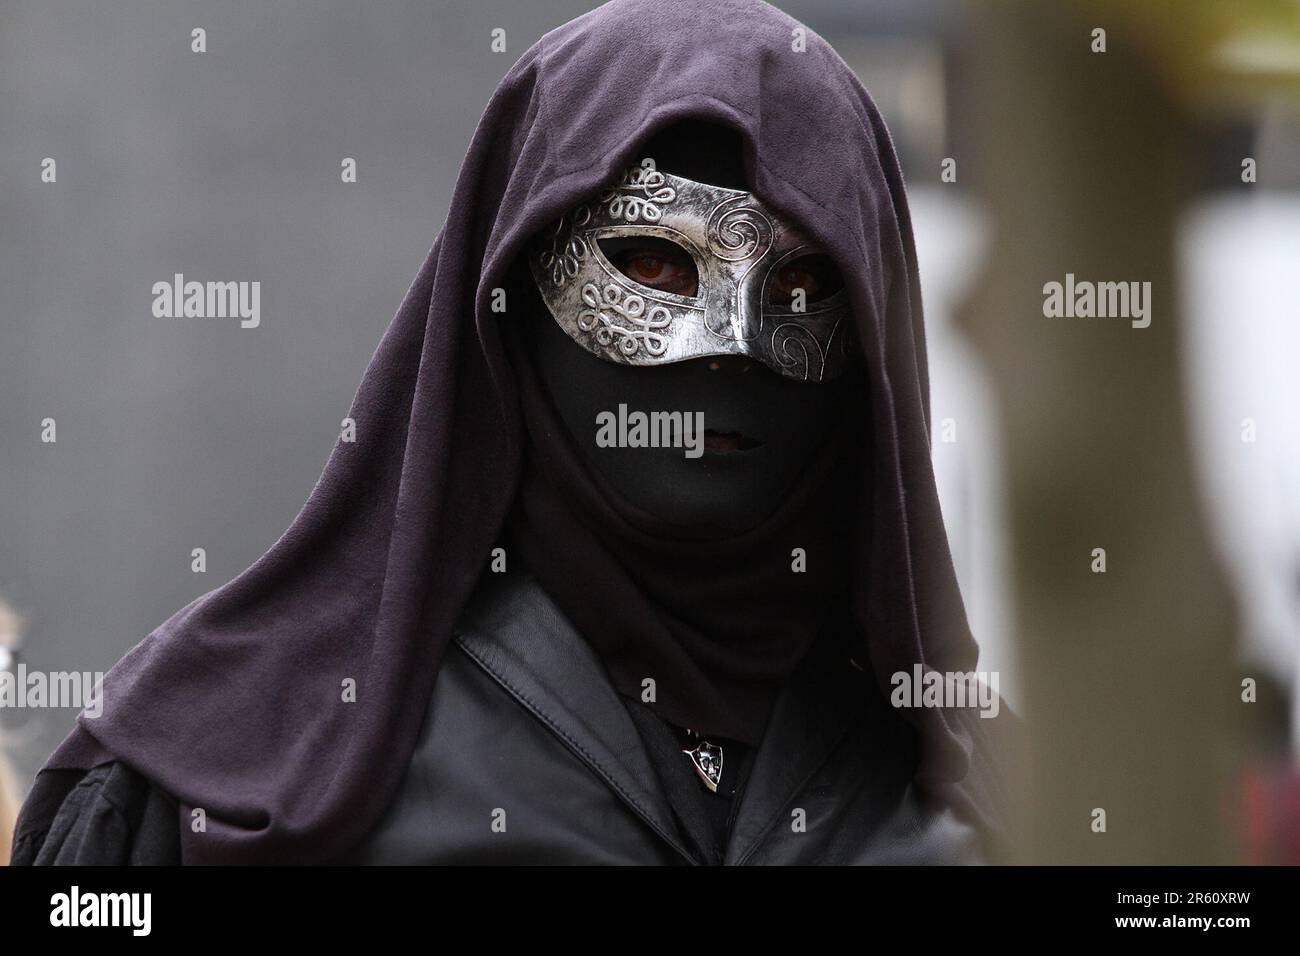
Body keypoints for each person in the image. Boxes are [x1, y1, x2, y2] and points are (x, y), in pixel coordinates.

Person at [11, 0, 1012, 866]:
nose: (728, 351)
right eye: (654, 268)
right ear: (510, 295)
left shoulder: (1008, 800)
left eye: (799, 286)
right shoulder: (222, 768)